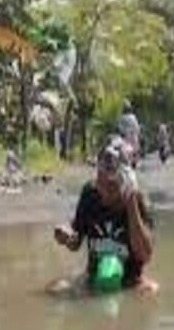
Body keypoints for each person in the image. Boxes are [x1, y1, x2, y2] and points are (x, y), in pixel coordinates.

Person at [52, 136, 157, 295]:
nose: (105, 192)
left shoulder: (138, 200)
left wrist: (131, 204)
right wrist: (66, 236)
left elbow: (145, 255)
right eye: (101, 183)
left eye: (112, 186)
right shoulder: (90, 193)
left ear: (125, 182)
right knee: (56, 289)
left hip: (130, 282)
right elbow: (76, 242)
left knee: (150, 293)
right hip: (93, 277)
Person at [117, 100, 141, 164]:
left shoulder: (121, 118)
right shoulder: (133, 117)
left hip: (126, 137)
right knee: (135, 148)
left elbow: (119, 128)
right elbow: (137, 127)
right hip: (132, 136)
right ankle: (134, 159)